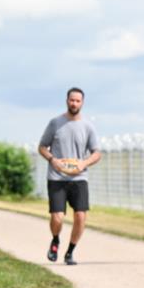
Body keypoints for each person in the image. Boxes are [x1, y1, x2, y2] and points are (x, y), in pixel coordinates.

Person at [38, 87, 101, 265]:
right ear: (67, 101)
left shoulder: (88, 127)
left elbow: (97, 153)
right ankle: (56, 239)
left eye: (77, 101)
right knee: (57, 217)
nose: (74, 103)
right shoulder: (55, 123)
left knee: (80, 216)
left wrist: (84, 163)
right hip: (56, 177)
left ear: (82, 103)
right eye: (71, 100)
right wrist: (52, 160)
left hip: (79, 178)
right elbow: (42, 147)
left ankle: (70, 252)